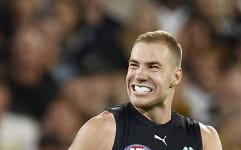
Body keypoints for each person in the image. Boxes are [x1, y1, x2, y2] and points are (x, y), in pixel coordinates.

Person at [68, 30, 222, 150]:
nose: (139, 75)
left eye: (153, 67)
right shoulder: (104, 129)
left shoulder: (204, 138)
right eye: (134, 65)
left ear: (176, 77)